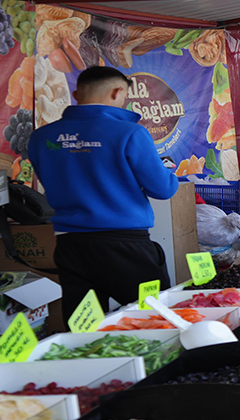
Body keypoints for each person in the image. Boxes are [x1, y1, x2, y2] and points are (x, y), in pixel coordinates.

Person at [27, 66, 180, 321]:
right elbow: (163, 189)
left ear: (76, 94)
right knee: (155, 320)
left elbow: (53, 181)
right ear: (118, 92)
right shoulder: (130, 132)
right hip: (124, 243)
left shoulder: (41, 137)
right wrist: (169, 173)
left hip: (70, 244)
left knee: (84, 326)